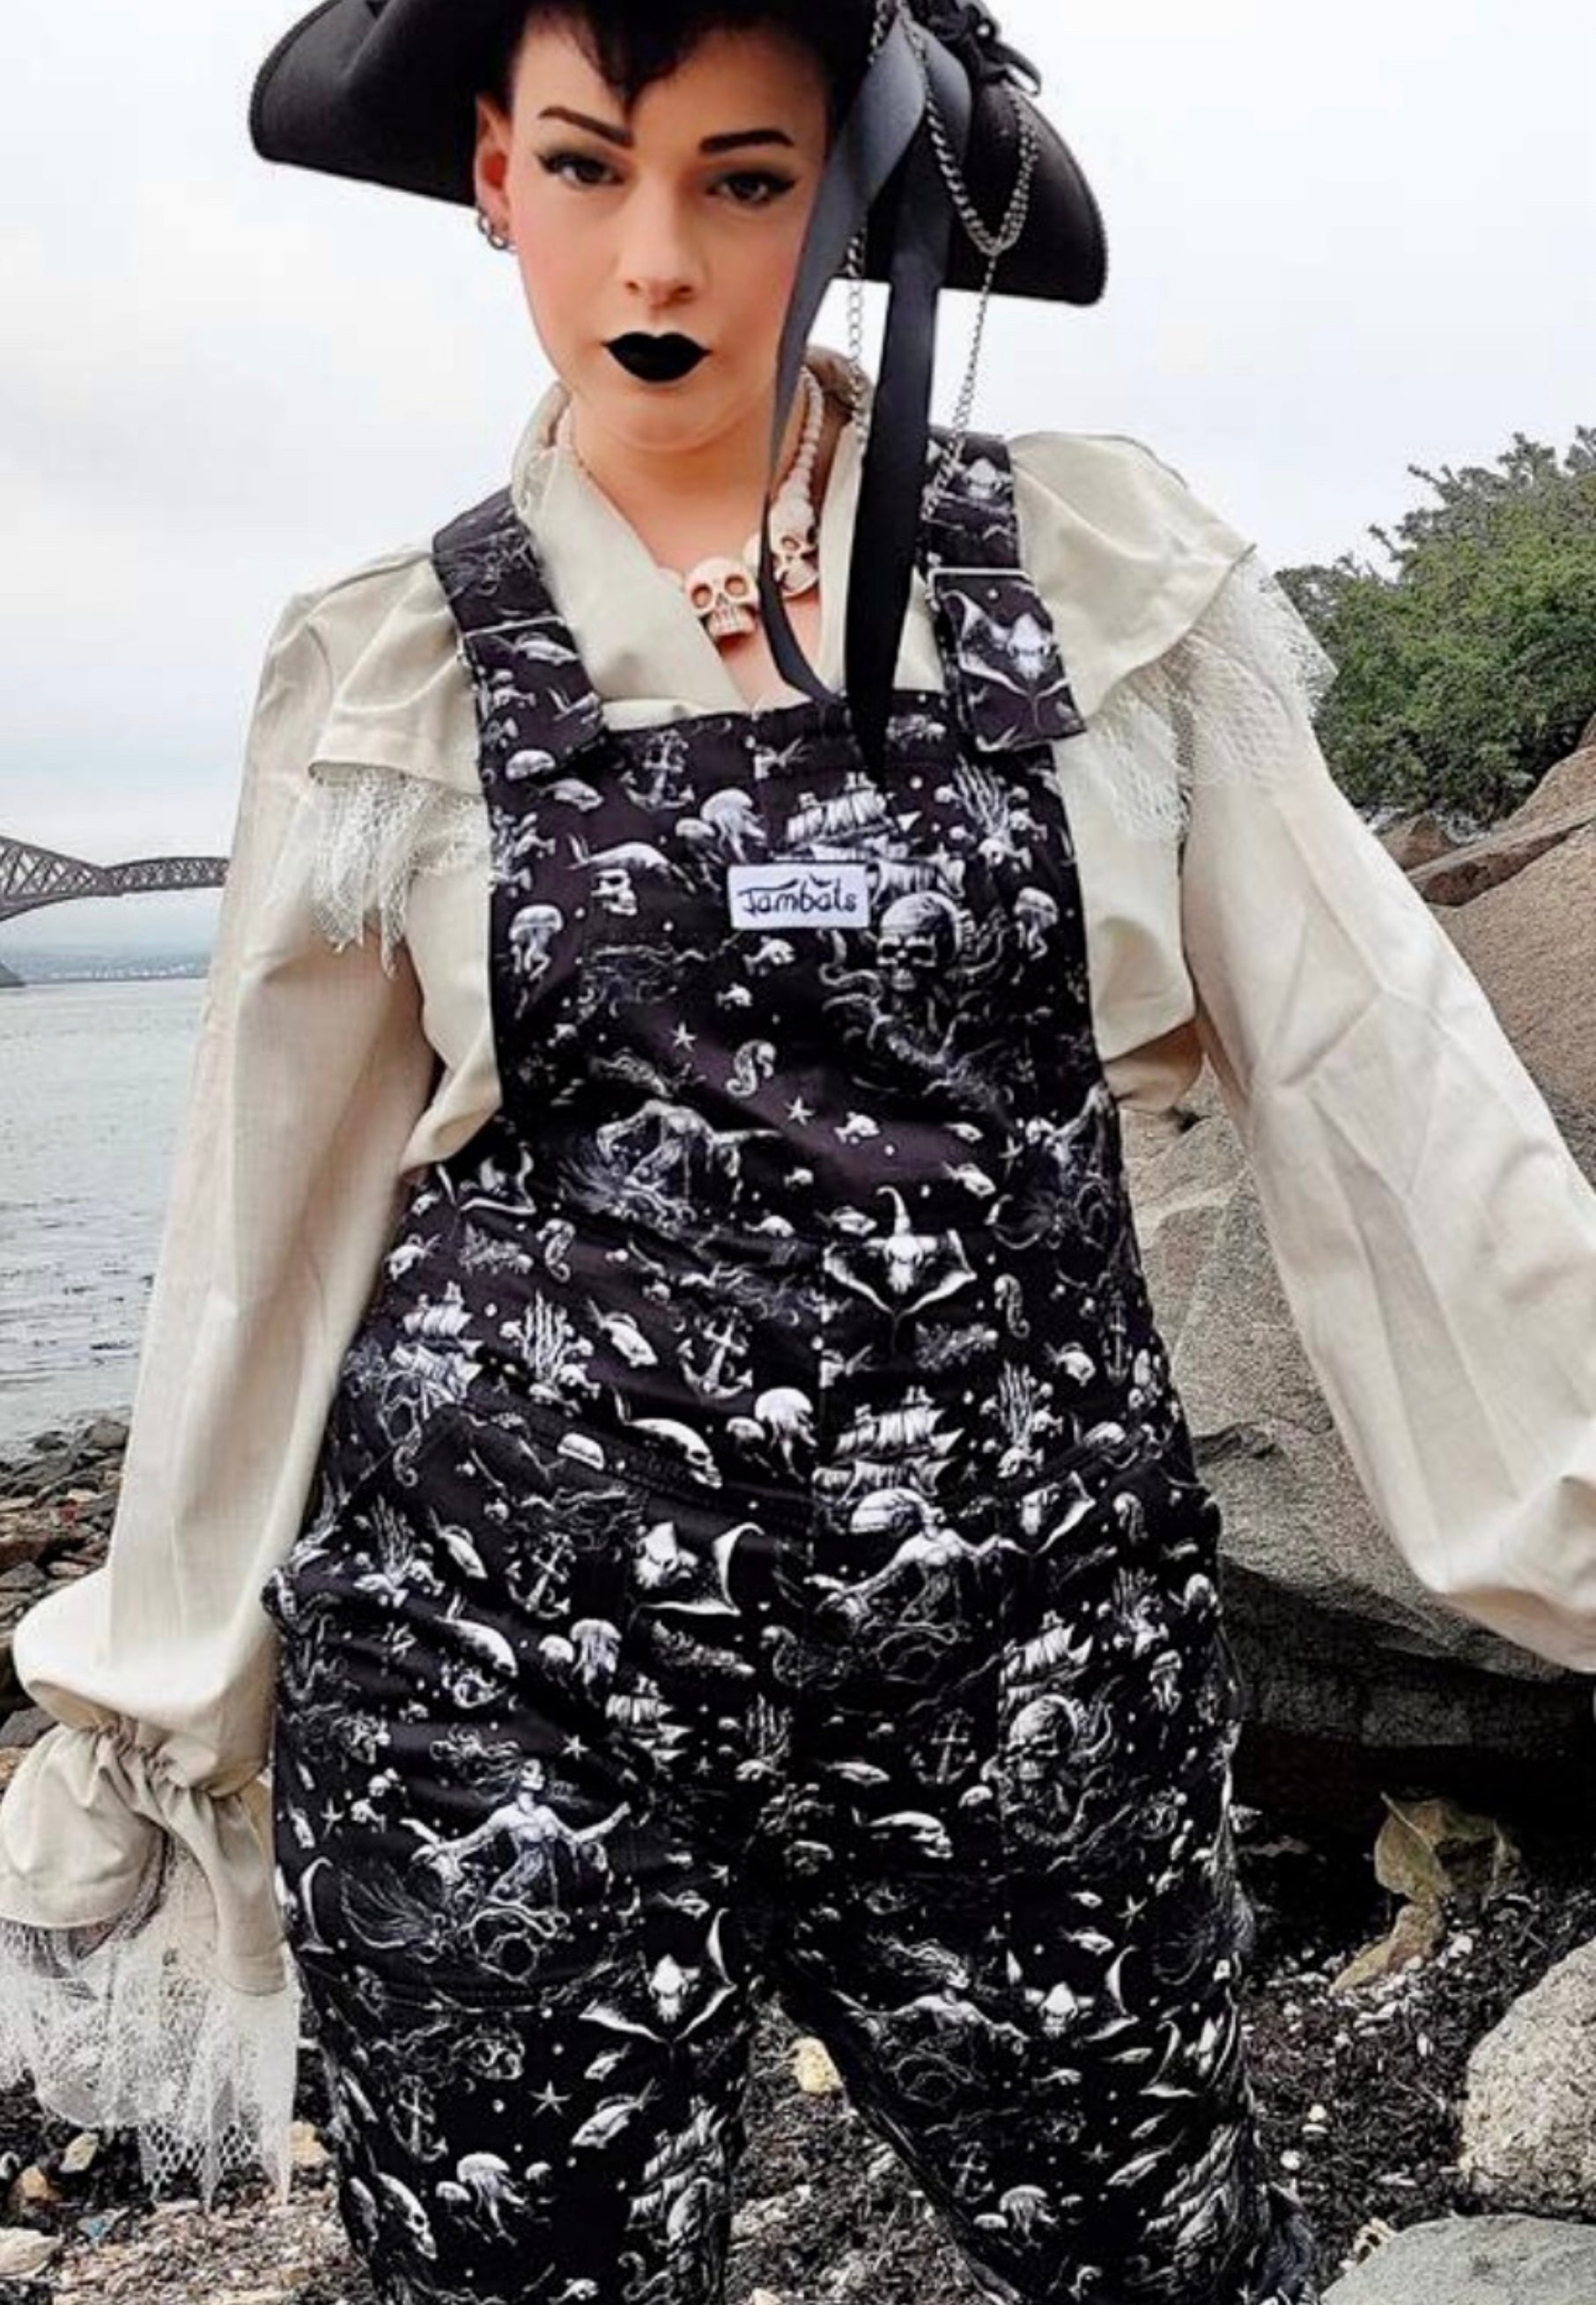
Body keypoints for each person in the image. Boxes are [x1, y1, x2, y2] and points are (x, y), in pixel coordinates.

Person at [2, 2, 1594, 2301]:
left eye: (743, 179)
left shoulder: (1094, 582)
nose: (655, 258)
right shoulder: (385, 667)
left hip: (1024, 1665)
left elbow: (1384, 1085)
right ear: (492, 176)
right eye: (586, 166)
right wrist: (160, 1690)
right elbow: (266, 1225)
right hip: (492, 1685)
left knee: (1152, 2248)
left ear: (850, 199)